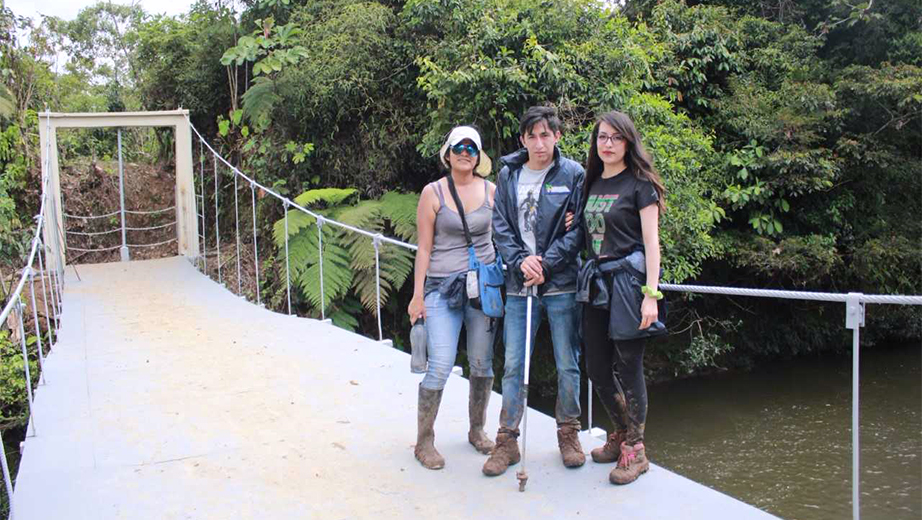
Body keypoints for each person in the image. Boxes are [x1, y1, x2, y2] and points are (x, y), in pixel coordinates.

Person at [483, 106, 586, 476]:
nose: (540, 143)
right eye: (533, 135)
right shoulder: (509, 174)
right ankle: (507, 440)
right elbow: (501, 227)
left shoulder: (574, 174)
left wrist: (546, 264)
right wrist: (520, 262)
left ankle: (569, 433)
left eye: (547, 135)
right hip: (517, 284)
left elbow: (578, 231)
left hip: (560, 284)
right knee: (513, 364)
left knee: (567, 362)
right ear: (523, 139)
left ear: (557, 136)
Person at [579, 110, 666, 485]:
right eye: (602, 137)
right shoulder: (592, 182)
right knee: (597, 366)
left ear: (628, 142)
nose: (608, 144)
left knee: (629, 367)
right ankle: (620, 434)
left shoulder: (640, 184)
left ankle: (637, 449)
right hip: (597, 285)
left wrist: (651, 295)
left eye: (616, 138)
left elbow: (651, 244)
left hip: (629, 287)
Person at [408, 125, 498, 470]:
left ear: (479, 156)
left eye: (471, 148)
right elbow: (425, 247)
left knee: (481, 362)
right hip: (441, 288)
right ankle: (424, 440)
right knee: (442, 363)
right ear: (448, 153)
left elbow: (510, 230)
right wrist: (417, 296)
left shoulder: (492, 191)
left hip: (481, 289)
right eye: (458, 147)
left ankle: (477, 430)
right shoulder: (433, 193)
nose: (465, 152)